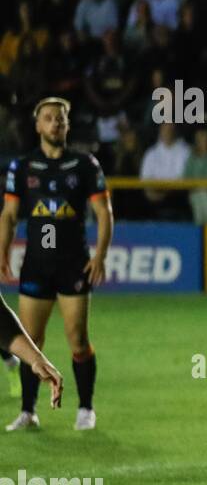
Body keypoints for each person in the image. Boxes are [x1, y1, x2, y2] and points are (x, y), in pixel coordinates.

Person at [0, 97, 112, 431]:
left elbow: (104, 212)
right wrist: (2, 252)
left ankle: (86, 408)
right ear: (37, 125)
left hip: (73, 264)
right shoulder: (22, 167)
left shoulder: (84, 164)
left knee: (77, 338)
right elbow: (8, 215)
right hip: (36, 264)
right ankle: (28, 411)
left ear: (67, 124)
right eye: (49, 118)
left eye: (61, 119)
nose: (55, 123)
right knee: (29, 339)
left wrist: (100, 255)